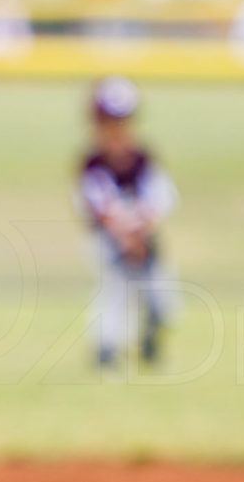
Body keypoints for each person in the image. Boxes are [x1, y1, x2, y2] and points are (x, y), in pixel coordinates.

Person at [76, 75, 178, 368]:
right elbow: (99, 209)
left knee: (161, 295)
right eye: (108, 123)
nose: (116, 130)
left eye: (122, 122)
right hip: (110, 243)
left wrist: (142, 232)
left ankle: (150, 337)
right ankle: (106, 347)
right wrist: (126, 236)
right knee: (116, 289)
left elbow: (162, 199)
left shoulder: (144, 160)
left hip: (143, 239)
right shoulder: (93, 164)